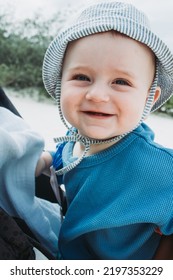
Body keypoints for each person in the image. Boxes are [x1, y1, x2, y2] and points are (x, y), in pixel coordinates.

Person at [38, 1, 173, 259]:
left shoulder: (157, 167)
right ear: (60, 84)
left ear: (149, 98)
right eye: (81, 77)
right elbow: (66, 158)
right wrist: (43, 160)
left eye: (120, 82)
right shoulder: (75, 138)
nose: (97, 94)